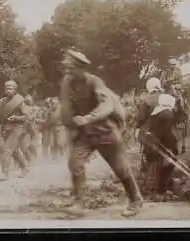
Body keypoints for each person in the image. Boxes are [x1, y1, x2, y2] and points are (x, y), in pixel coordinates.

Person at [59, 49, 143, 217]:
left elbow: (107, 105)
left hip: (105, 131)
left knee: (120, 168)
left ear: (81, 68)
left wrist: (88, 118)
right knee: (75, 162)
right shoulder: (67, 82)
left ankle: (136, 200)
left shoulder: (95, 81)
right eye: (66, 67)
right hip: (85, 134)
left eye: (70, 68)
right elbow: (66, 106)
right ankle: (79, 203)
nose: (67, 71)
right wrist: (69, 123)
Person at [136, 77, 178, 199]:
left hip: (152, 134)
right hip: (168, 134)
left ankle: (151, 187)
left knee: (152, 159)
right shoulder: (167, 99)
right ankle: (164, 187)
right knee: (167, 159)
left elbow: (141, 119)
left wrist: (139, 129)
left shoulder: (146, 100)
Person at [0, 80, 30, 181]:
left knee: (6, 149)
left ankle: (4, 173)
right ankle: (25, 167)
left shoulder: (20, 101)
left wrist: (16, 118)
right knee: (14, 151)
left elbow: (26, 116)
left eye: (11, 88)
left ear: (15, 90)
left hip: (17, 128)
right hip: (6, 128)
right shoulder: (2, 101)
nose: (9, 90)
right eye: (7, 88)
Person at [22, 94, 39, 162]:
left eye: (30, 100)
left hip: (32, 129)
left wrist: (29, 118)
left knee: (32, 145)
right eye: (27, 101)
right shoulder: (23, 108)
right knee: (25, 147)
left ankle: (33, 157)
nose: (29, 102)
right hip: (25, 129)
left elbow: (33, 117)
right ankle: (29, 159)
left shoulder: (34, 109)